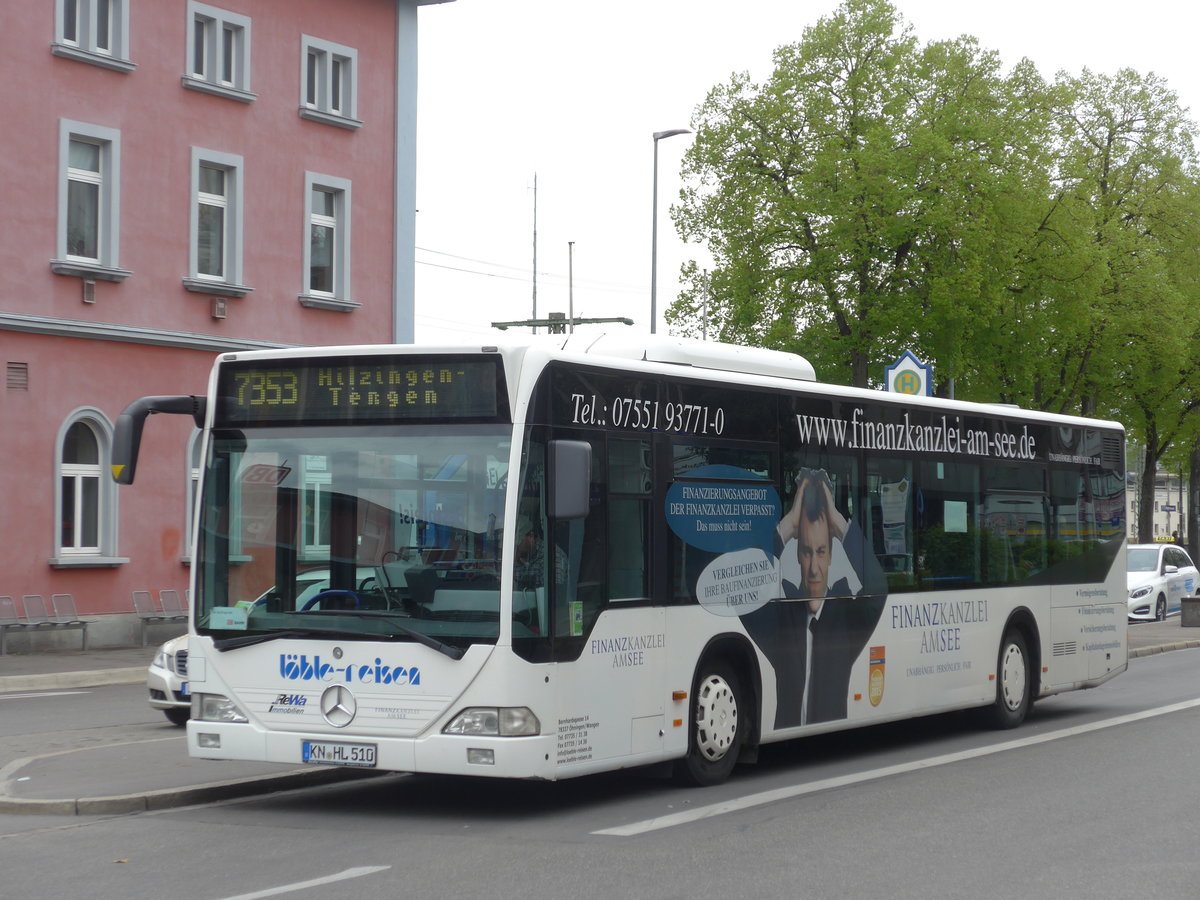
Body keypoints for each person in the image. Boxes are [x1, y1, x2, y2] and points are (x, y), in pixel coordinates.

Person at [741, 468, 887, 728]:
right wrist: (790, 524)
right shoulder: (781, 619)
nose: (814, 568)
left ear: (831, 556)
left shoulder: (845, 620)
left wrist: (837, 521)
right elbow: (744, 591)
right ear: (797, 556)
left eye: (821, 552)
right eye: (807, 552)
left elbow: (877, 587)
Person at [513, 515, 569, 590]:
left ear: (531, 536)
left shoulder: (552, 556)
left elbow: (555, 592)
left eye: (518, 543)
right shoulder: (520, 557)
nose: (515, 547)